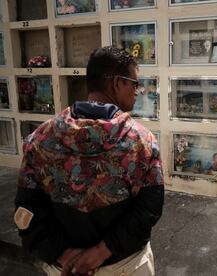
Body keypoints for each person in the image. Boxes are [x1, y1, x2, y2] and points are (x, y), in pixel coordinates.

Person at [14, 46, 164, 276]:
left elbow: (27, 208)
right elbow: (149, 210)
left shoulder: (40, 138)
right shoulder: (143, 142)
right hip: (126, 266)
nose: (138, 90)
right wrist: (102, 251)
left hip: (65, 268)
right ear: (116, 83)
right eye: (134, 83)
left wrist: (62, 255)